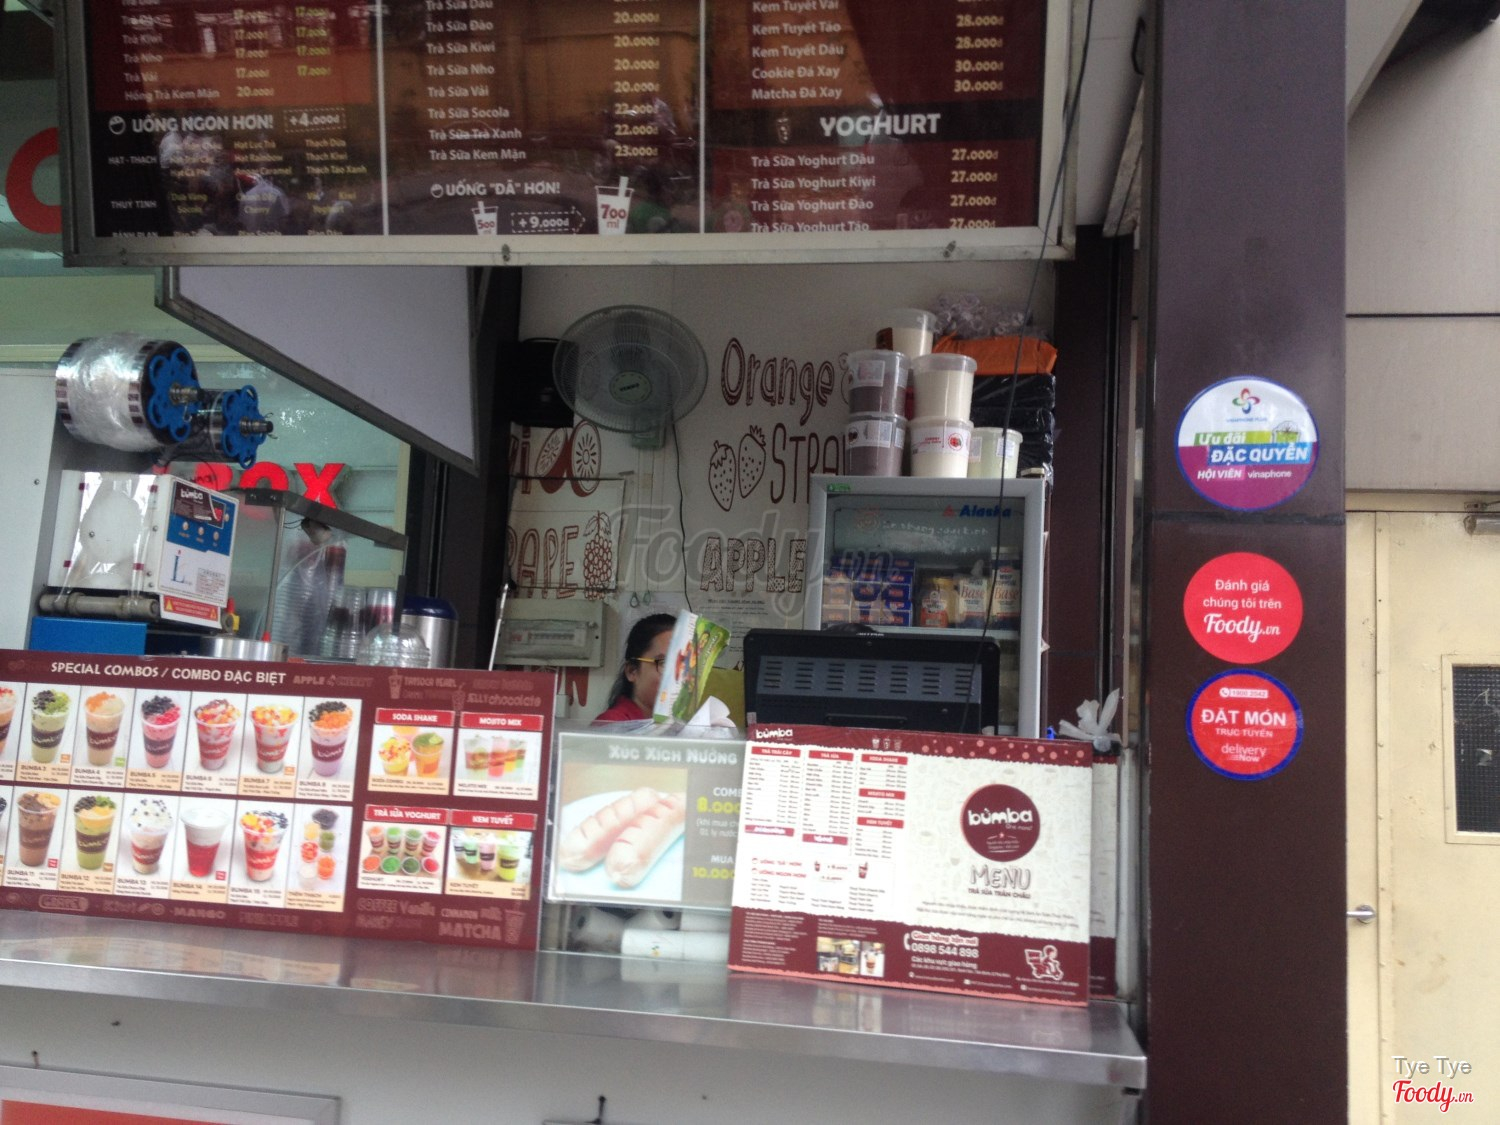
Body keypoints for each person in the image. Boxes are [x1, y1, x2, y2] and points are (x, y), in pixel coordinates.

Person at [594, 613, 675, 723]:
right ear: (632, 671)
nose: (677, 676)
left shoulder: (675, 723)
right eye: (664, 663)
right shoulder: (612, 723)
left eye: (683, 665)